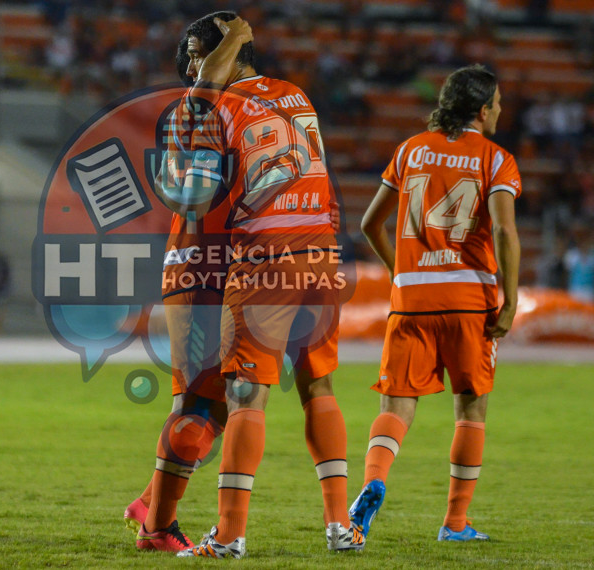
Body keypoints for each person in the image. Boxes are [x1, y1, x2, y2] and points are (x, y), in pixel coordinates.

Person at [166, 13, 359, 558]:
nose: (187, 67)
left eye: (193, 55)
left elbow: (195, 200)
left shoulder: (212, 105)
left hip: (266, 258)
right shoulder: (298, 96)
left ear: (221, 53)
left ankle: (228, 536)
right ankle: (339, 527)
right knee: (318, 387)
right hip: (320, 250)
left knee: (246, 394)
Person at [350, 64, 521, 544]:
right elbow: (505, 231)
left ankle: (374, 481)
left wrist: (398, 273)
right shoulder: (495, 159)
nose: (501, 111)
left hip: (413, 300)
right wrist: (510, 300)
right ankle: (455, 524)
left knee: (396, 406)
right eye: (499, 104)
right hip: (469, 300)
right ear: (483, 110)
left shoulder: (408, 150)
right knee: (470, 411)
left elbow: (369, 224)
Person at [123, 34, 234, 553]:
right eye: (193, 54)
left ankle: (149, 505)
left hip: (200, 265)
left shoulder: (193, 110)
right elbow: (198, 196)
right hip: (199, 266)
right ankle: (156, 529)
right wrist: (235, 34)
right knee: (201, 406)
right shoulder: (199, 109)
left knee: (209, 405)